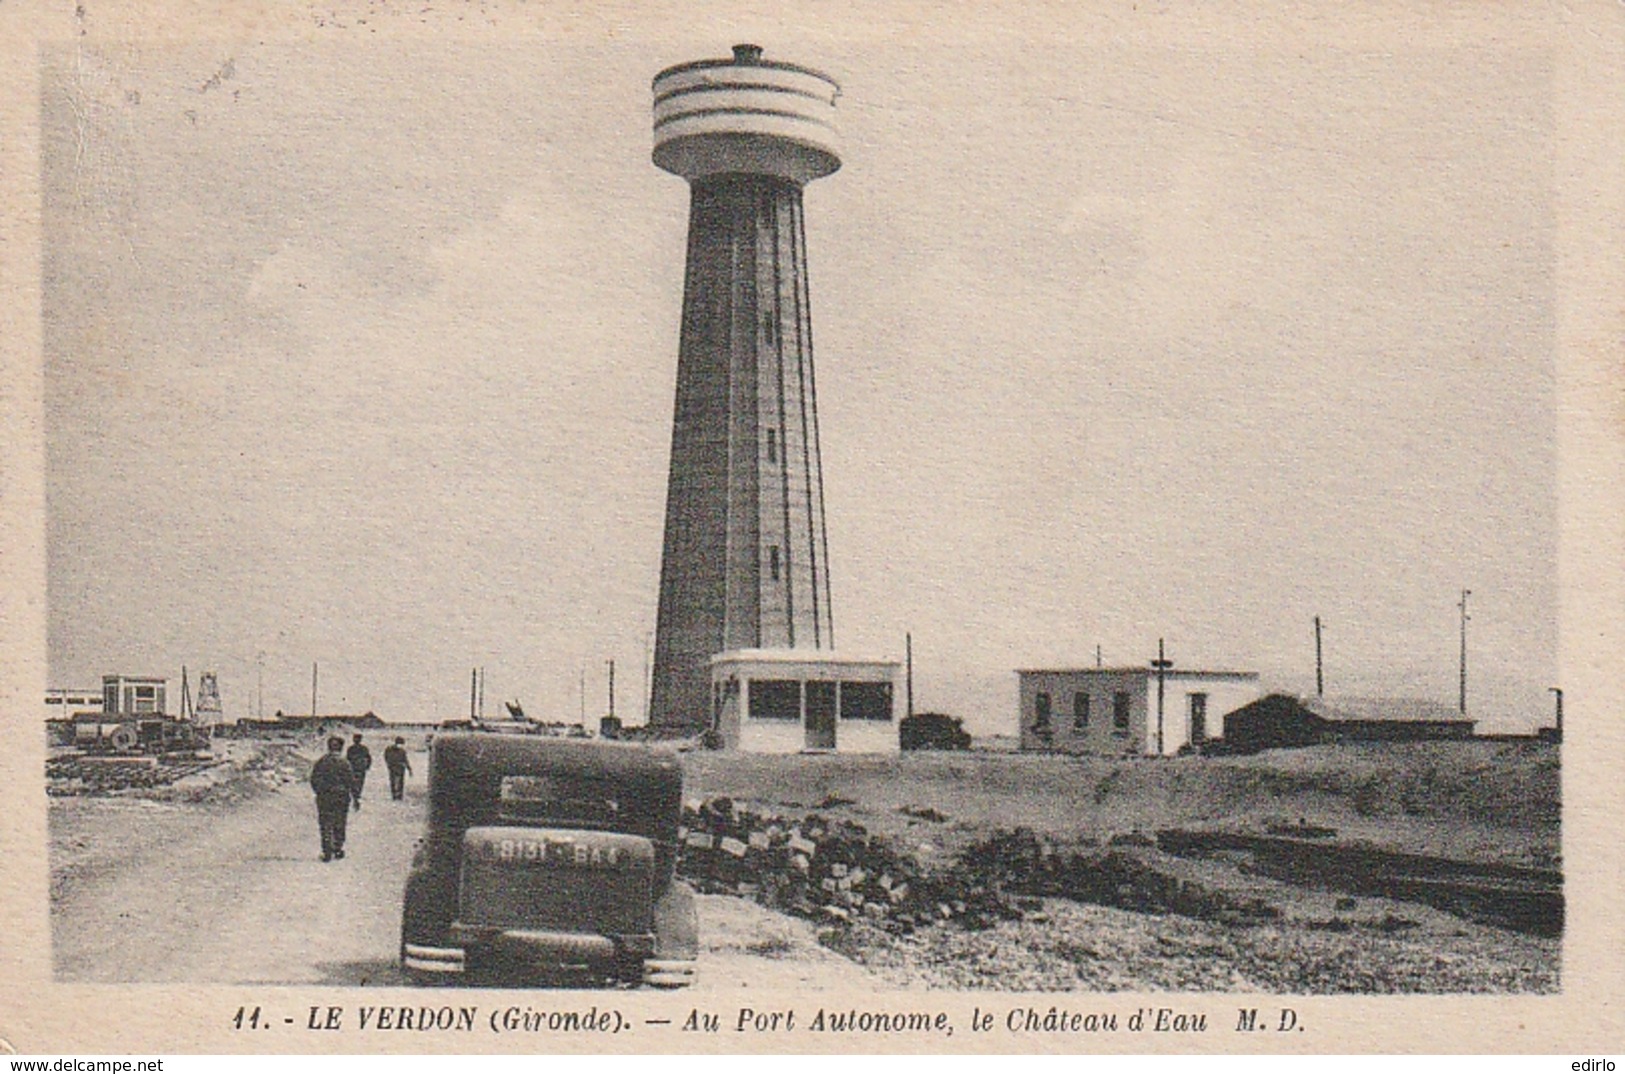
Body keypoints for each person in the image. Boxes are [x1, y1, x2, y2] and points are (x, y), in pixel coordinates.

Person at [309, 736, 354, 862]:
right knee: (340, 822)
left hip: (325, 796)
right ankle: (338, 848)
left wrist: (319, 792)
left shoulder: (321, 761)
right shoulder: (345, 763)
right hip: (341, 797)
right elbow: (350, 781)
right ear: (341, 747)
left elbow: (313, 779)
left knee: (325, 823)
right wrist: (354, 797)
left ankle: (327, 850)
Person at [346, 733, 373, 809]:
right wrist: (367, 766)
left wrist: (367, 766)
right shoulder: (357, 748)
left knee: (356, 782)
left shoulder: (352, 748)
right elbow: (369, 758)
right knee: (358, 782)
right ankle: (356, 796)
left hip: (357, 768)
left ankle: (356, 796)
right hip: (358, 768)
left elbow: (368, 758)